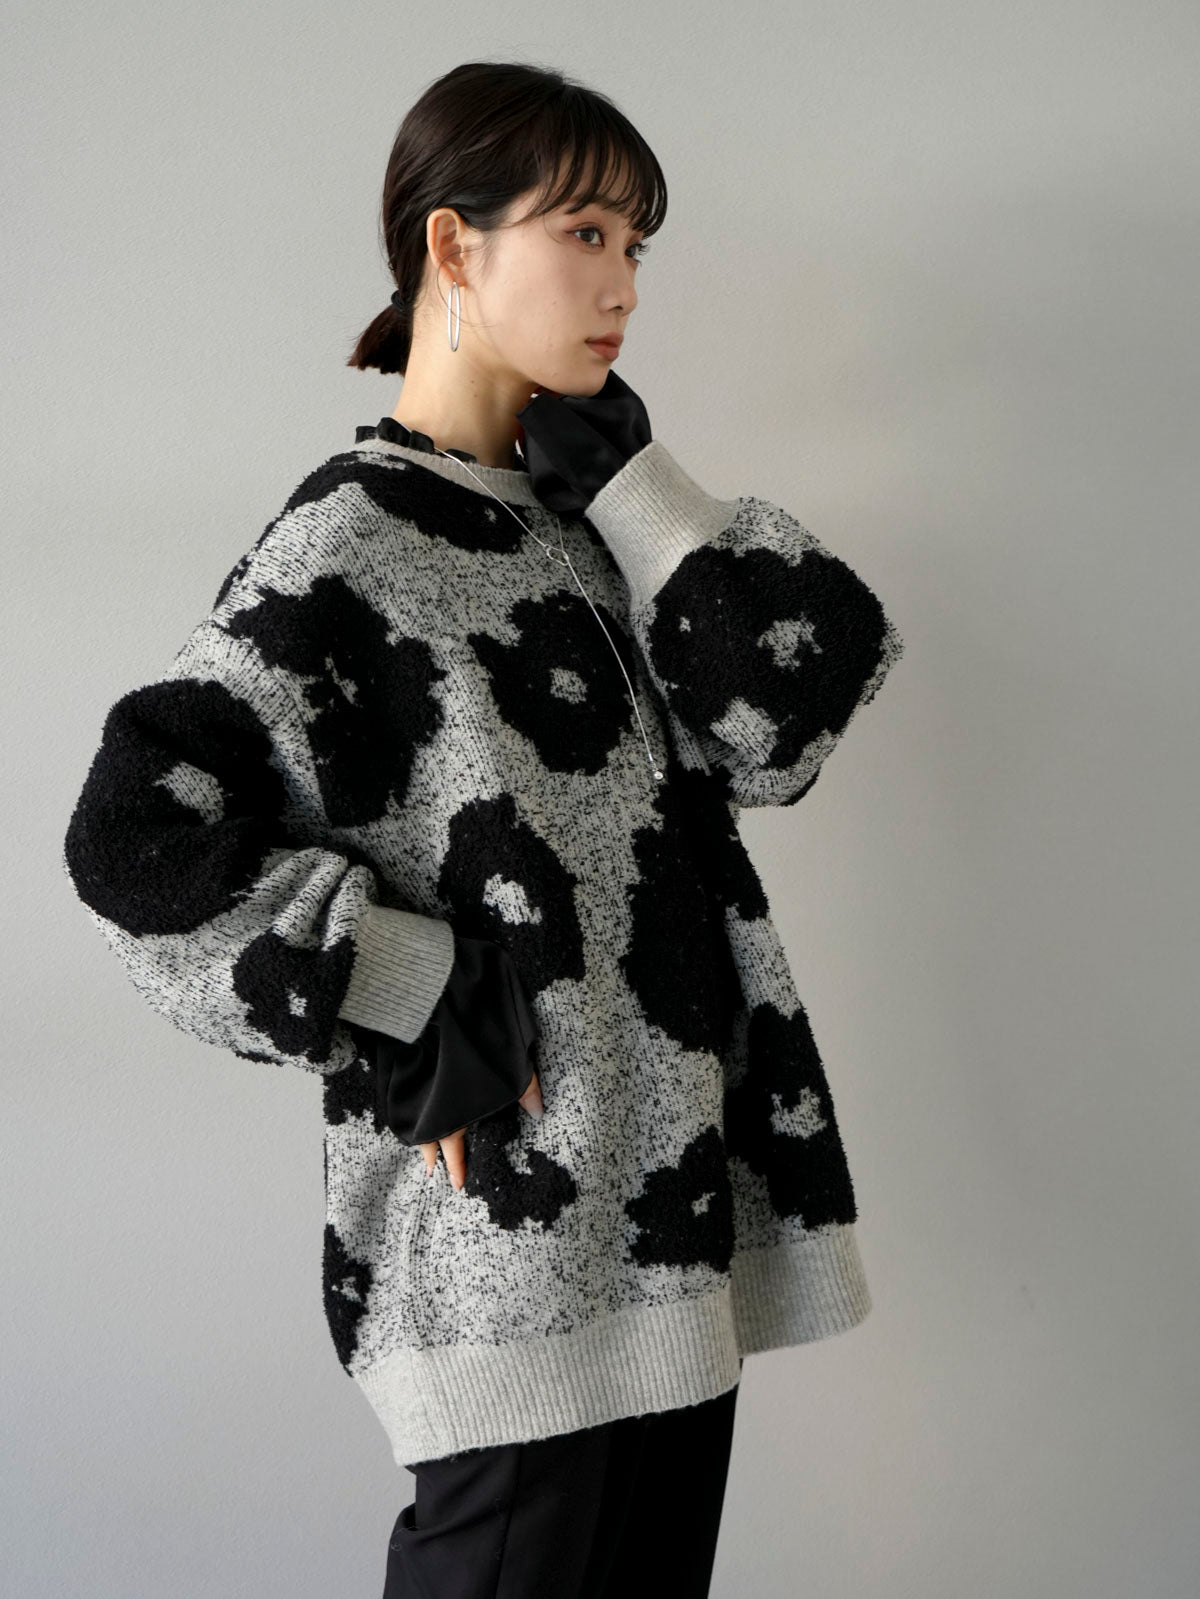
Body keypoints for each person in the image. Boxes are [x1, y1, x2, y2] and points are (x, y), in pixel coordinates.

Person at [62, 60, 905, 1598]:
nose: (623, 284)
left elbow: (792, 713)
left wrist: (635, 484)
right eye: (584, 234)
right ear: (454, 246)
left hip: (676, 1240)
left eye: (635, 245)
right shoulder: (349, 544)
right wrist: (408, 986)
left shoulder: (591, 526)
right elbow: (135, 844)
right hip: (507, 1265)